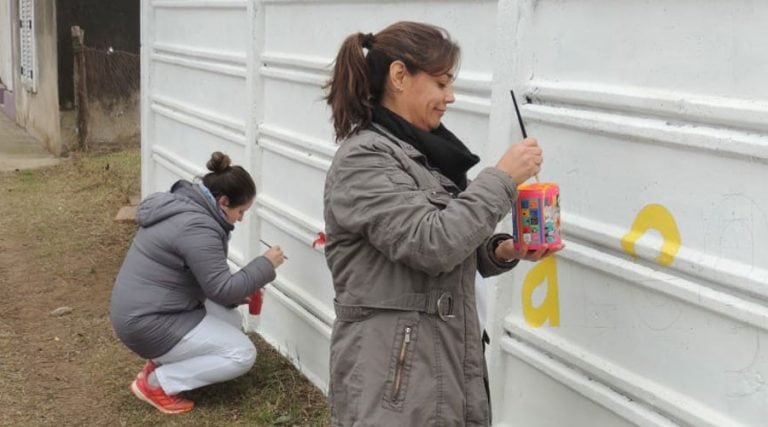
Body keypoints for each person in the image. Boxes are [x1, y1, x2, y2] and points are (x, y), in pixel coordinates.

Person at [323, 22, 563, 426]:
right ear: (400, 76)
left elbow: (446, 236)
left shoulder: (419, 152)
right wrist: (503, 177)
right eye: (440, 83)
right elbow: (430, 244)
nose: (449, 97)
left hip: (438, 359)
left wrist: (499, 250)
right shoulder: (364, 160)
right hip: (395, 378)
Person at [110, 151, 284, 414]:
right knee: (242, 354)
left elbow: (206, 280)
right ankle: (157, 384)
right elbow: (221, 289)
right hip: (147, 322)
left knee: (232, 322)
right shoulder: (197, 228)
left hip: (146, 310)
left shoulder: (185, 206)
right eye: (241, 211)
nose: (241, 219)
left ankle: (161, 363)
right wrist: (266, 264)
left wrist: (237, 296)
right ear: (223, 201)